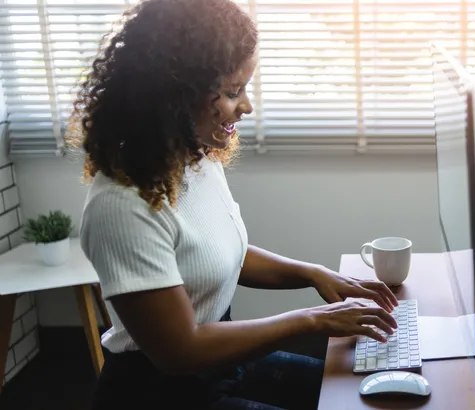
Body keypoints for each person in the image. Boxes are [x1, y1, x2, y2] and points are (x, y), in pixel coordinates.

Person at [66, 0, 398, 408]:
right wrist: (312, 320)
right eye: (231, 92)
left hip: (222, 365)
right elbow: (181, 350)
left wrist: (312, 274)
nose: (246, 106)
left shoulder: (196, 158)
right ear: (175, 95)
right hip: (160, 393)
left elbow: (223, 255)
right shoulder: (121, 204)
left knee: (364, 394)